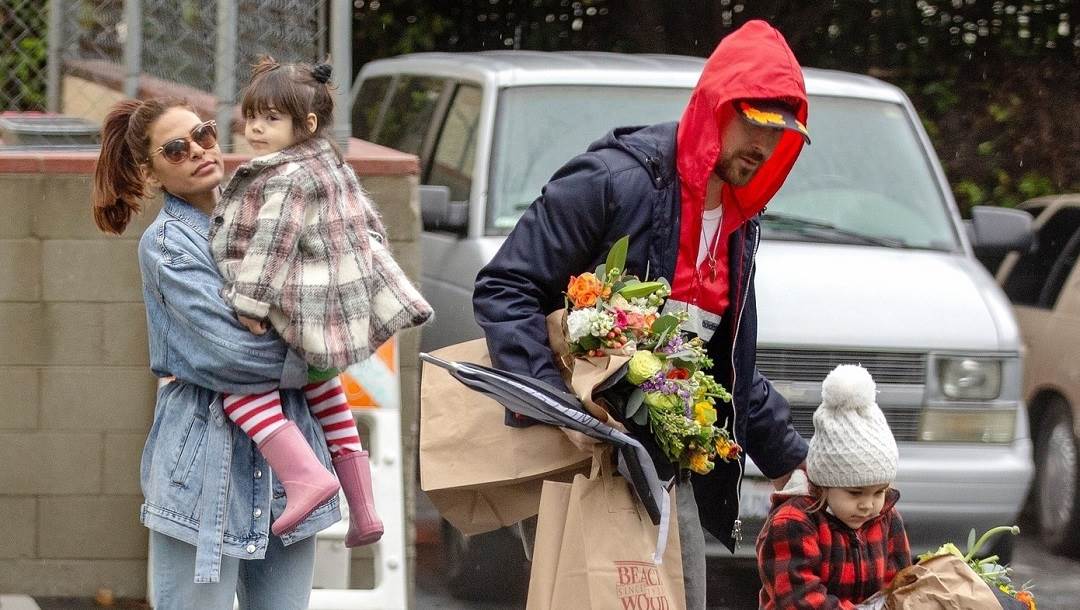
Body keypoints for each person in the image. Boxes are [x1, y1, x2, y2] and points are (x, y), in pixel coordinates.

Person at [472, 20, 811, 609]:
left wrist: (794, 464)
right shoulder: (611, 180)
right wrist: (559, 412)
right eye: (753, 121)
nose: (765, 143)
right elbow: (506, 286)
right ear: (714, 107)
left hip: (667, 465)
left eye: (781, 131)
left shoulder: (738, 223)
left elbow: (722, 363)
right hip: (580, 462)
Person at [91, 98, 336, 607]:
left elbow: (333, 299)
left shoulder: (263, 214)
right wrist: (313, 359)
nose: (198, 151)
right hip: (203, 468)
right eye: (176, 149)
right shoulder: (168, 245)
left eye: (203, 134)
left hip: (288, 468)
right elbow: (230, 356)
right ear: (151, 172)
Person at [208, 56, 432, 547]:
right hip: (327, 322)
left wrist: (248, 303)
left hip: (293, 317)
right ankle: (365, 509)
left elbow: (272, 242)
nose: (257, 128)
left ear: (305, 125)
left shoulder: (286, 177)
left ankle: (305, 478)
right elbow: (369, 224)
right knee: (327, 391)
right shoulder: (330, 163)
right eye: (252, 116)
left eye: (271, 119)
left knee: (238, 386)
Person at [756, 365, 911, 609]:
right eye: (855, 493)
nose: (868, 505)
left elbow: (899, 585)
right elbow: (800, 599)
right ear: (824, 484)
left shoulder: (887, 518)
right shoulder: (793, 523)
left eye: (879, 492)